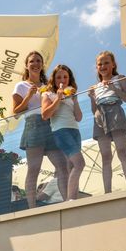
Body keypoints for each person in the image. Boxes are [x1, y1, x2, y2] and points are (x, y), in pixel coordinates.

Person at [12, 51, 68, 209]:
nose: (35, 64)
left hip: (50, 124)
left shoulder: (47, 86)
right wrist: (28, 96)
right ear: (26, 65)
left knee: (63, 165)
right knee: (34, 168)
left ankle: (68, 202)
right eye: (32, 61)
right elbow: (15, 113)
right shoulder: (21, 85)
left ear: (42, 65)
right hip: (33, 125)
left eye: (38, 61)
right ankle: (32, 208)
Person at [87, 51, 126, 193]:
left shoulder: (120, 78)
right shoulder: (95, 87)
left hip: (115, 111)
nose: (103, 66)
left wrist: (114, 89)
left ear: (113, 64)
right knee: (105, 155)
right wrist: (92, 98)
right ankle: (107, 191)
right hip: (100, 116)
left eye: (106, 62)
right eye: (100, 64)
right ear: (96, 68)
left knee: (121, 150)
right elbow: (93, 110)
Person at [42, 65, 84, 201]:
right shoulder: (48, 94)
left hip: (74, 131)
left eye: (65, 77)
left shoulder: (71, 96)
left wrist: (75, 100)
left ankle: (72, 200)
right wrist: (58, 99)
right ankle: (71, 201)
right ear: (53, 79)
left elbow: (78, 117)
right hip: (61, 131)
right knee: (80, 163)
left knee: (71, 166)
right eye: (59, 77)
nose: (62, 79)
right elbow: (45, 115)